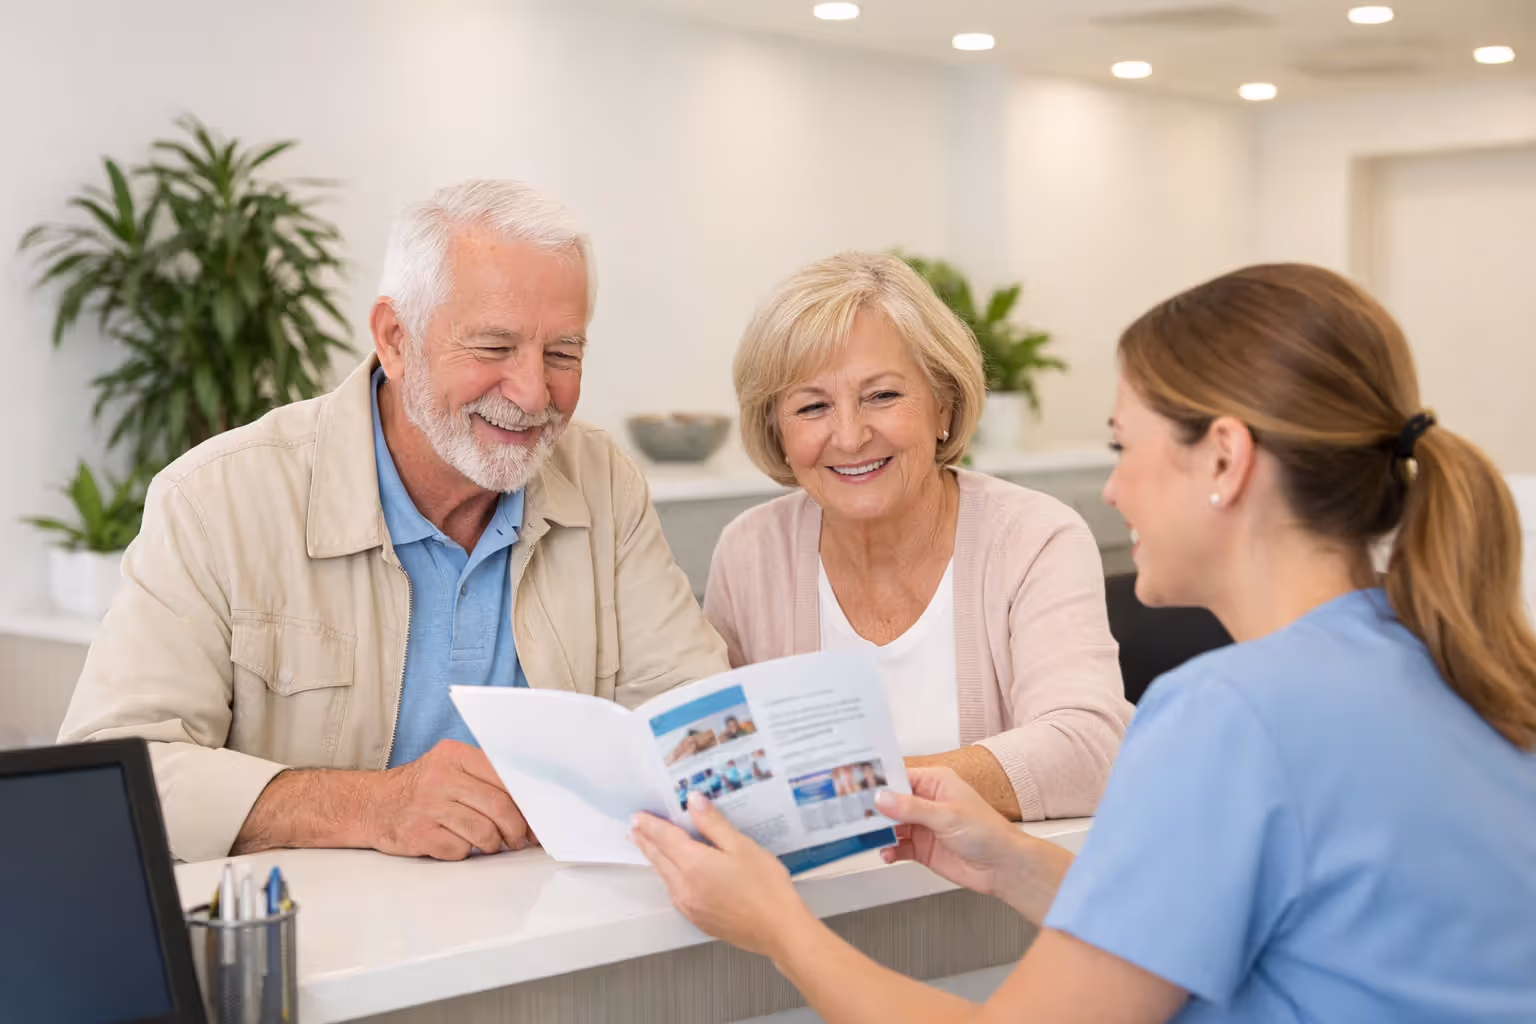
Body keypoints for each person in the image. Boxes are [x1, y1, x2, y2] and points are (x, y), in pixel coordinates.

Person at [631, 264, 1536, 1022]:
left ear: (1223, 460)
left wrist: (779, 927)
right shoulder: (1453, 661)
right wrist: (1018, 861)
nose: (1111, 492)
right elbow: (1210, 926)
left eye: (1121, 445)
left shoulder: (1227, 718)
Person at [58, 180, 728, 864]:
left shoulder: (604, 483)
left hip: (553, 934)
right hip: (318, 947)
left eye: (563, 354)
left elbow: (703, 728)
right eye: (494, 348)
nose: (533, 393)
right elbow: (104, 780)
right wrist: (371, 805)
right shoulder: (214, 499)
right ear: (395, 339)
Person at [705, 252, 1129, 820]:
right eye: (812, 406)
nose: (851, 436)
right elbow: (720, 766)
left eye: (882, 395)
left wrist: (855, 790)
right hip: (807, 909)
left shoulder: (1034, 538)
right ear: (777, 432)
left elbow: (1089, 753)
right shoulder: (750, 551)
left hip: (995, 908)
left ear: (943, 406)